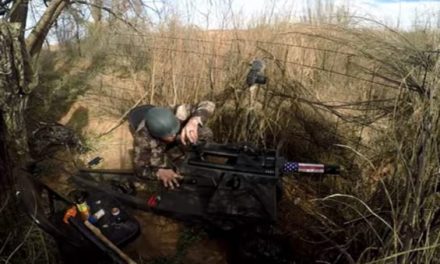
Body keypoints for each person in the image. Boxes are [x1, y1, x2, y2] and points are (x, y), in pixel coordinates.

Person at [128, 101, 215, 189]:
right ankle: (171, 163)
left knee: (205, 132)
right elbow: (140, 169)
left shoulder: (177, 112)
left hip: (170, 130)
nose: (173, 135)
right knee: (157, 163)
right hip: (154, 142)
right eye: (169, 135)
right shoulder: (142, 138)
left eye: (174, 131)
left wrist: (194, 120)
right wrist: (158, 172)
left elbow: (208, 104)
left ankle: (198, 158)